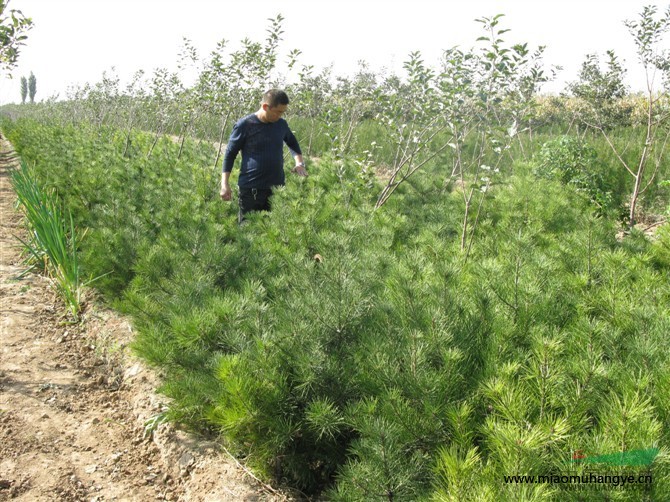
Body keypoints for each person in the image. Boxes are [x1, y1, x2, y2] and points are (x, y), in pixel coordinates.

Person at [220, 89, 307, 223]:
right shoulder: (245, 125)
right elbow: (230, 155)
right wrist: (224, 184)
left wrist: (299, 163)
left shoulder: (281, 125)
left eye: (283, 112)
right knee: (248, 233)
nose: (281, 115)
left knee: (273, 234)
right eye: (278, 112)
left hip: (277, 190)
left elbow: (292, 142)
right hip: (251, 191)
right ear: (265, 107)